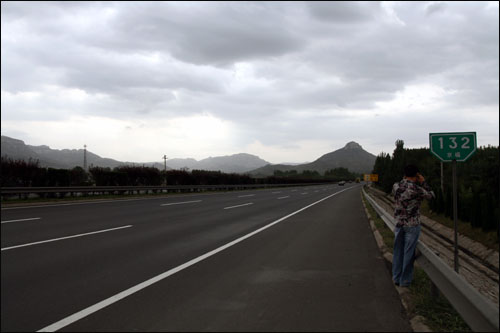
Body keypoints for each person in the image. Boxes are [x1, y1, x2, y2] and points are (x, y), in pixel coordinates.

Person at [392, 165, 434, 287]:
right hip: (412, 225)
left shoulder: (396, 186)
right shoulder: (417, 189)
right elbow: (431, 196)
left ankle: (396, 277)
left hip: (399, 224)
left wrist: (405, 178)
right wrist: (423, 182)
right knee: (408, 254)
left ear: (404, 175)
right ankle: (405, 281)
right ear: (416, 175)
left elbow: (400, 184)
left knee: (398, 252)